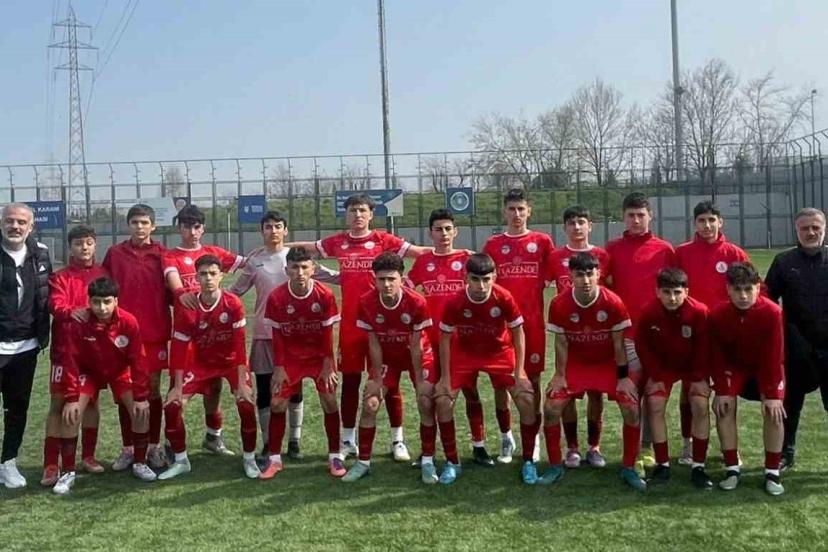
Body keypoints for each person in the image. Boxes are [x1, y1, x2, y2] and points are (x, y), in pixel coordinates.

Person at [291, 193, 428, 461]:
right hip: (352, 326)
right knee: (351, 382)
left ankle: (397, 440)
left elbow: (417, 252)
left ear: (371, 214)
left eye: (362, 210)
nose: (357, 215)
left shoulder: (383, 240)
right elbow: (309, 248)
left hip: (383, 324)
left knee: (389, 382)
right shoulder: (339, 242)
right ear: (347, 214)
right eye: (353, 210)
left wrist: (455, 253)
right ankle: (348, 440)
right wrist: (277, 245)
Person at [229, 210, 338, 460]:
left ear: (285, 230)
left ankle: (294, 441)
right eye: (268, 227)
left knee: (294, 389)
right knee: (266, 390)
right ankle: (269, 443)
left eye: (278, 226)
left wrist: (360, 277)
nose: (273, 231)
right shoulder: (255, 261)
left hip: (295, 337)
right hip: (265, 333)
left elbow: (330, 276)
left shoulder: (297, 259)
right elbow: (235, 291)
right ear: (261, 231)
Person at [544, 252, 646, 491]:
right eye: (580, 275)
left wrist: (623, 378)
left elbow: (619, 345)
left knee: (631, 407)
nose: (586, 280)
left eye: (590, 274)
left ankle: (628, 467)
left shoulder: (613, 302)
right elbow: (561, 342)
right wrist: (560, 375)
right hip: (576, 364)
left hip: (606, 364)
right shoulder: (559, 303)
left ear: (599, 274)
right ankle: (556, 465)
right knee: (551, 407)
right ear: (571, 276)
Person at [434, 253, 538, 485]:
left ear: (494, 277)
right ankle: (452, 462)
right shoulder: (455, 301)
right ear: (466, 278)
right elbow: (445, 338)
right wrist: (445, 378)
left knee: (526, 399)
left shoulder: (504, 297)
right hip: (465, 354)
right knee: (443, 400)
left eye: (486, 279)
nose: (481, 286)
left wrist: (520, 372)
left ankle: (529, 460)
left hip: (499, 353)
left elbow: (518, 333)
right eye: (475, 279)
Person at [51, 277, 156, 494]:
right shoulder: (77, 323)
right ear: (89, 301)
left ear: (116, 301)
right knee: (71, 413)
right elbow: (70, 361)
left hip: (119, 372)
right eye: (96, 302)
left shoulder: (128, 322)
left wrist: (141, 396)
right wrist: (71, 398)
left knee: (140, 410)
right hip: (88, 373)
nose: (102, 307)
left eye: (107, 301)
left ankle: (139, 462)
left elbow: (138, 360)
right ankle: (68, 472)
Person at [159, 255, 259, 480]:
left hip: (230, 362)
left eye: (213, 273)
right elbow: (179, 348)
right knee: (173, 405)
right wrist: (176, 387)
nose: (208, 278)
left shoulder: (232, 303)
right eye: (203, 274)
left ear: (221, 276)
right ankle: (181, 460)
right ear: (196, 277)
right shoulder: (188, 306)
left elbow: (240, 345)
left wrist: (242, 383)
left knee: (245, 402)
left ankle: (249, 459)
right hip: (200, 362)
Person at [405, 209, 491, 466]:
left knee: (471, 392)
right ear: (430, 233)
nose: (443, 234)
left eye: (447, 229)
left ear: (455, 231)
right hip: (431, 342)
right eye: (438, 229)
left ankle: (479, 446)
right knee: (428, 397)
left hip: (462, 342)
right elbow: (407, 290)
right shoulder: (423, 262)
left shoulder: (467, 259)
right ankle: (428, 451)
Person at [343, 253, 434, 483]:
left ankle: (428, 460)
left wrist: (420, 382)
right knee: (371, 403)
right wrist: (376, 379)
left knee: (425, 401)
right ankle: (363, 462)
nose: (386, 284)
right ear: (374, 279)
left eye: (392, 279)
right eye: (381, 279)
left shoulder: (416, 302)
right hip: (386, 357)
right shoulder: (366, 302)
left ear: (401, 278)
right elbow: (373, 342)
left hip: (416, 355)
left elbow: (416, 346)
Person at [163, 204, 244, 456]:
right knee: (178, 391)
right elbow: (174, 281)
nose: (192, 232)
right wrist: (180, 292)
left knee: (214, 386)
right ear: (179, 228)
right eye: (187, 227)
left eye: (196, 227)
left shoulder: (214, 252)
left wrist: (278, 249)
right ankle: (172, 444)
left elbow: (248, 263)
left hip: (214, 334)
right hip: (187, 336)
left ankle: (213, 436)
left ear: (203, 228)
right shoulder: (171, 256)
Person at [674, 200, 749, 465]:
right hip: (692, 333)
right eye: (701, 221)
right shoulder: (682, 253)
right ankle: (688, 443)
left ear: (720, 222)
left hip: (725, 333)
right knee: (690, 391)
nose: (707, 225)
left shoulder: (735, 253)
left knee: (726, 390)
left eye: (711, 220)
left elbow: (751, 290)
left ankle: (730, 446)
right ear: (694, 224)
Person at [483, 188, 555, 463]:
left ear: (529, 211)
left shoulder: (542, 242)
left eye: (521, 209)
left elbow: (554, 273)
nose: (516, 214)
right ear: (504, 211)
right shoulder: (493, 244)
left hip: (532, 324)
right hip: (500, 326)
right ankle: (506, 437)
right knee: (501, 383)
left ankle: (532, 438)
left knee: (531, 381)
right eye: (512, 209)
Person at [259, 247, 344, 479]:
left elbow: (328, 333)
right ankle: (274, 459)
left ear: (313, 269)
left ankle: (335, 455)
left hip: (319, 358)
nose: (300, 272)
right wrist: (278, 368)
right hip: (290, 359)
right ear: (286, 270)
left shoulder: (324, 295)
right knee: (277, 403)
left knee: (329, 401)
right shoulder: (276, 297)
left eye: (304, 267)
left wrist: (328, 365)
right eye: (294, 267)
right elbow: (277, 335)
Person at [605, 192, 676, 468]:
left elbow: (676, 291)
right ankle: (632, 450)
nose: (636, 220)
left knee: (654, 394)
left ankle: (648, 448)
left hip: (659, 336)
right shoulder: (612, 249)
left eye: (640, 215)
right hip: (626, 336)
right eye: (631, 215)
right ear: (623, 217)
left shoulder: (665, 250)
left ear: (650, 216)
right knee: (630, 395)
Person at [103, 204, 171, 471]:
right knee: (125, 391)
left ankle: (154, 445)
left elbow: (173, 290)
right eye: (135, 222)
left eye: (144, 222)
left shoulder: (163, 255)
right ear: (128, 225)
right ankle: (129, 447)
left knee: (152, 389)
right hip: (121, 333)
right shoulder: (115, 253)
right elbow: (104, 290)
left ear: (153, 226)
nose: (139, 227)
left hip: (154, 333)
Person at [709, 263, 786, 496]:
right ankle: (732, 469)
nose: (743, 296)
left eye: (748, 289)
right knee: (723, 407)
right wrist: (722, 389)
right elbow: (717, 356)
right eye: (737, 289)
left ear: (758, 288)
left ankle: (772, 472)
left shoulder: (772, 312)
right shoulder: (718, 314)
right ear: (728, 289)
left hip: (765, 367)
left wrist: (772, 394)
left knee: (774, 411)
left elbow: (775, 355)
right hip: (734, 367)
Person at [545, 205, 610, 469]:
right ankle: (572, 448)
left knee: (596, 393)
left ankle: (594, 447)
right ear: (564, 228)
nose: (577, 227)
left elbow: (610, 291)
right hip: (567, 335)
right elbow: (539, 286)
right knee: (568, 392)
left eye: (581, 222)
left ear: (590, 226)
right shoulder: (554, 257)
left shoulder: (602, 256)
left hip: (598, 336)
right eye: (571, 223)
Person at [42, 225, 108, 486]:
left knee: (92, 402)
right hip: (65, 350)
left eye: (89, 242)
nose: (84, 247)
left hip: (95, 350)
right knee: (58, 404)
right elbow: (55, 305)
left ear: (95, 245)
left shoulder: (103, 273)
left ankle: (88, 456)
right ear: (70, 247)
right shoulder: (60, 277)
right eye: (79, 243)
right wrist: (72, 311)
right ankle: (51, 463)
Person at [636, 268, 713, 489]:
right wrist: (655, 374)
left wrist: (699, 378)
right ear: (657, 292)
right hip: (664, 368)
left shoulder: (699, 312)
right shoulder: (648, 312)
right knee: (654, 403)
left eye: (677, 292)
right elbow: (642, 345)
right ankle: (662, 464)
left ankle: (698, 466)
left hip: (692, 367)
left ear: (686, 292)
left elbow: (704, 348)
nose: (672, 298)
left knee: (700, 405)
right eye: (667, 292)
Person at [765, 207, 827, 471]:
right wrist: (786, 335)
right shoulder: (783, 261)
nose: (811, 232)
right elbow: (767, 301)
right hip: (796, 347)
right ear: (796, 230)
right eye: (805, 228)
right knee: (791, 404)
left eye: (816, 227)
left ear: (824, 228)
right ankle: (785, 452)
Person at [0, 203, 52, 489]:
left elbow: (46, 294)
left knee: (16, 409)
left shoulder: (40, 254)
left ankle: (8, 463)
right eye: (10, 221)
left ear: (31, 227)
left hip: (25, 348)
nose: (15, 226)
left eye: (21, 222)